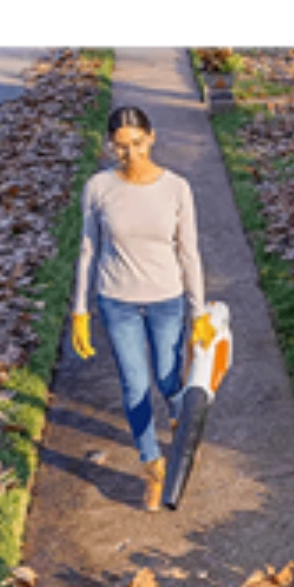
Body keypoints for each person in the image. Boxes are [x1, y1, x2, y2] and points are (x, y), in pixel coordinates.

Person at [71, 106, 216, 511]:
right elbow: (87, 251)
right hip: (116, 300)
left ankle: (181, 431)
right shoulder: (99, 188)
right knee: (135, 384)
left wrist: (198, 310)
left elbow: (189, 254)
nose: (130, 154)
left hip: (166, 298)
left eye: (136, 144)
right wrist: (79, 311)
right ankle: (152, 466)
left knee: (170, 382)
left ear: (151, 138)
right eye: (120, 147)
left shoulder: (176, 189)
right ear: (110, 146)